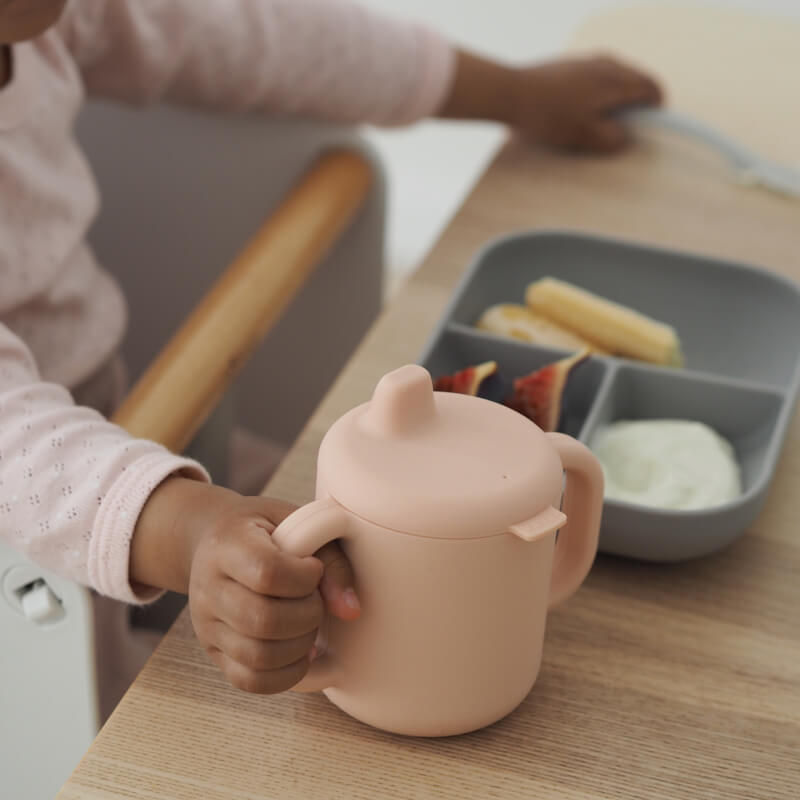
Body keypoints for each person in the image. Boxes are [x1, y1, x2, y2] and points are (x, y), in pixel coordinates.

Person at [0, 0, 661, 712]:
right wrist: (190, 531)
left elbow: (249, 33)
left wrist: (516, 93)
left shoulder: (59, 18)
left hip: (127, 423)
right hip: (35, 532)